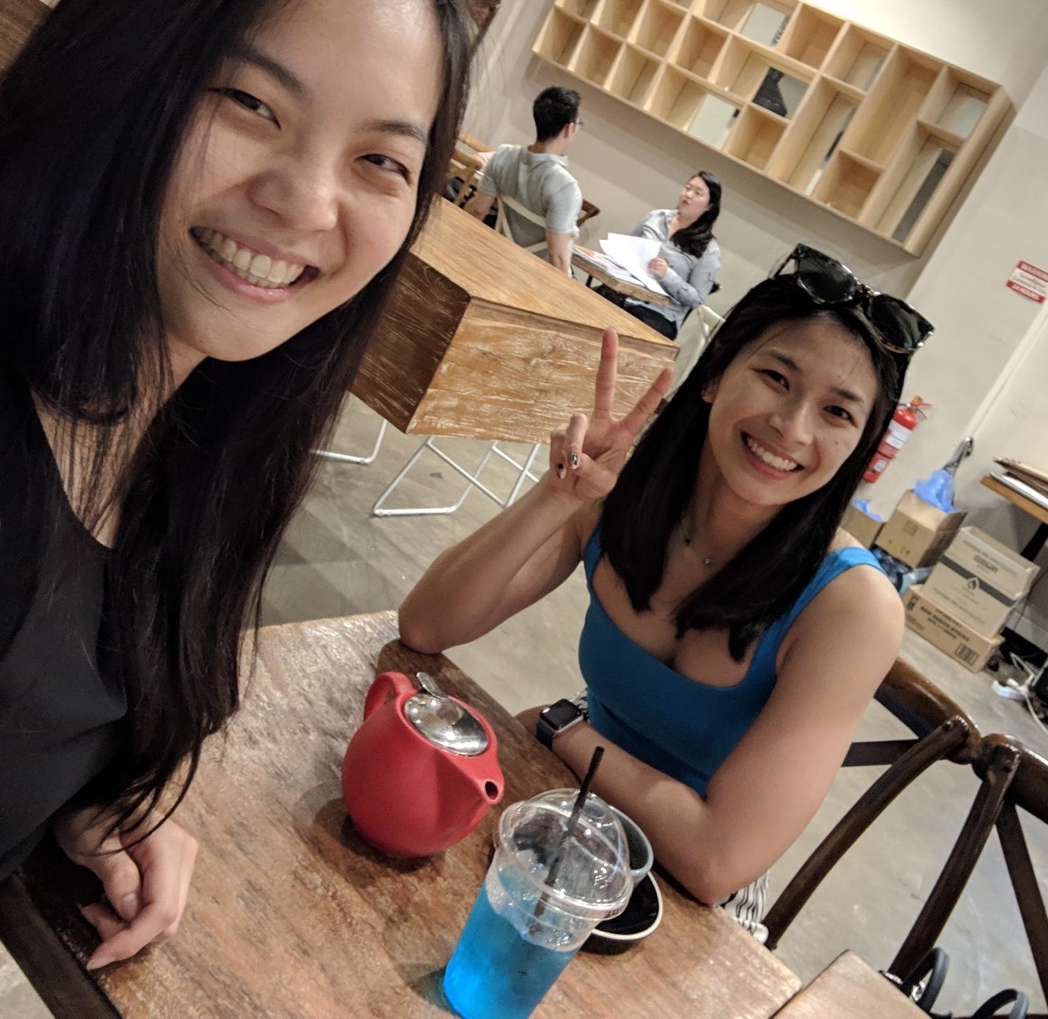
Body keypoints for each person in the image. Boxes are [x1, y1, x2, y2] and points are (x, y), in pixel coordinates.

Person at [0, 0, 470, 1018]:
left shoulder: (201, 431)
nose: (308, 202)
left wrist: (68, 783)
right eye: (250, 103)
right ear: (121, 74)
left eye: (379, 161)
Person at [399, 246, 932, 938]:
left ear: (858, 447)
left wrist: (566, 729)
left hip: (680, 905)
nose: (792, 429)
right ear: (714, 373)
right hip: (564, 813)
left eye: (837, 413)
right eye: (776, 377)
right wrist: (556, 496)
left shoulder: (852, 609)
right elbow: (427, 626)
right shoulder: (623, 486)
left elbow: (716, 861)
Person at [464, 86, 583, 274]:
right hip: (530, 278)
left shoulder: (503, 155)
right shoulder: (565, 187)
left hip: (492, 261)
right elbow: (558, 257)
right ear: (569, 128)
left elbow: (477, 209)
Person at [619, 170, 723, 338]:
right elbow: (627, 247)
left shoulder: (708, 249)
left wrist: (667, 275)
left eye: (697, 193)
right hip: (625, 293)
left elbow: (696, 299)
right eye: (687, 188)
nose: (688, 194)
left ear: (709, 206)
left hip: (658, 313)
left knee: (621, 327)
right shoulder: (656, 217)